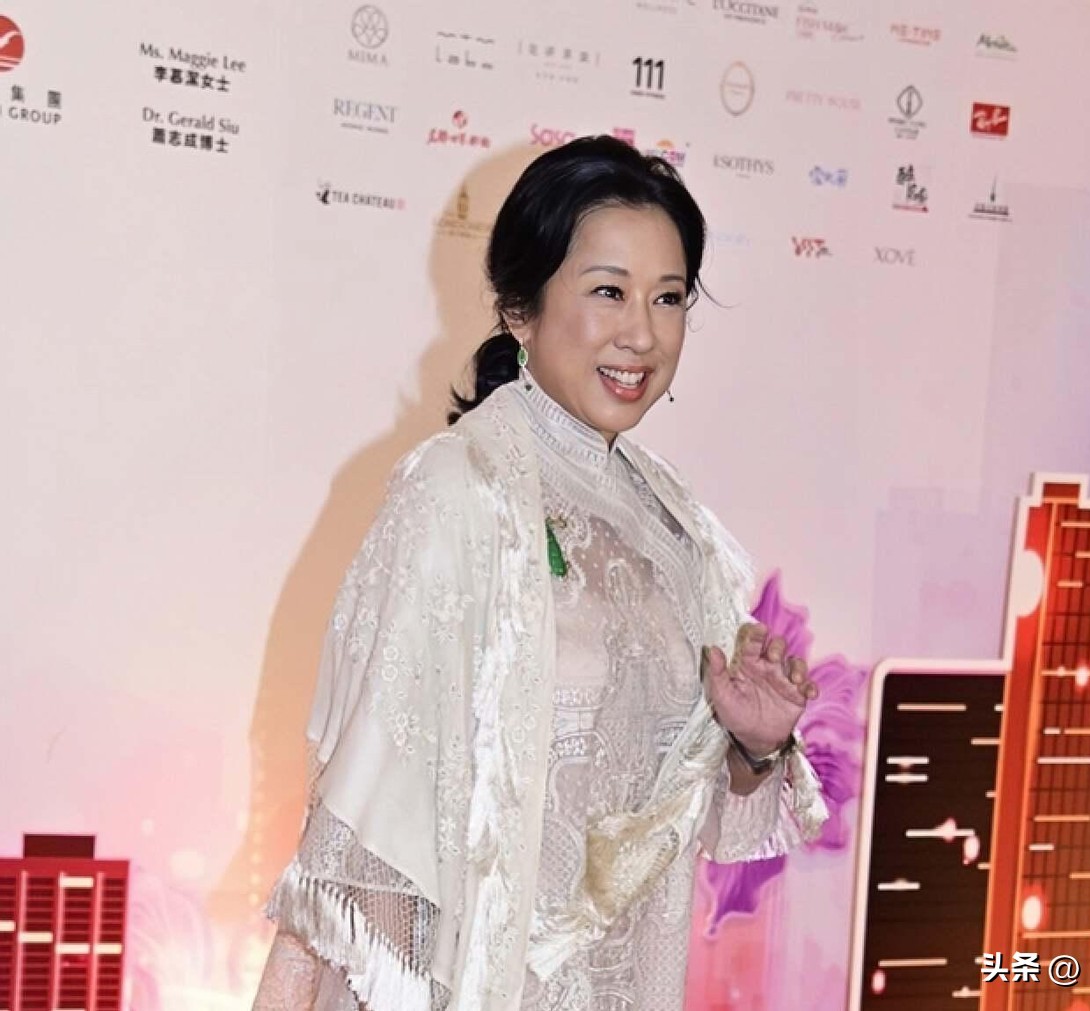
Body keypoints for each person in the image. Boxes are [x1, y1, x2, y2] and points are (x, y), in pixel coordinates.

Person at [252, 135, 828, 1011]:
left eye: (668, 297)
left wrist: (754, 744)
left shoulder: (677, 531)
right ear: (521, 309)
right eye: (608, 291)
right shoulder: (458, 491)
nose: (643, 333)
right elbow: (372, 830)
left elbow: (684, 814)